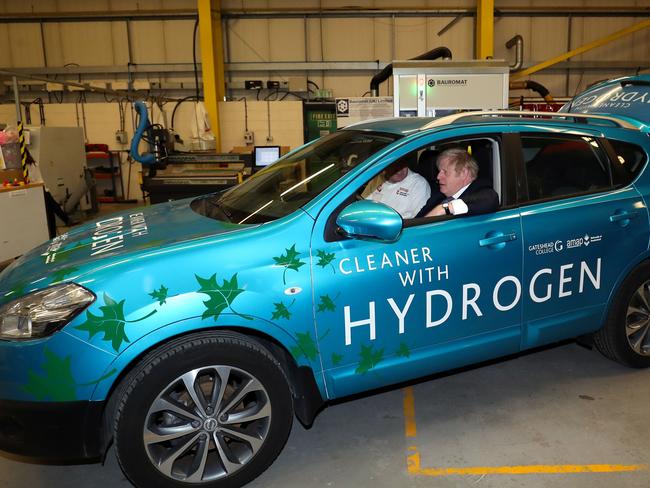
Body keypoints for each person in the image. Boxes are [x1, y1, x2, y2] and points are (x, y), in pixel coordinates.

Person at [416, 148, 498, 218]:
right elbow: (416, 221)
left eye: (445, 172)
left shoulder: (481, 190)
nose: (438, 177)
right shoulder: (437, 195)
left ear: (464, 173)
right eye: (439, 171)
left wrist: (445, 209)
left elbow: (490, 200)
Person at [366, 157, 431, 219]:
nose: (400, 172)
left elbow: (418, 218)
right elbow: (365, 203)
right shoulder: (377, 179)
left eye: (402, 166)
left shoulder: (418, 183)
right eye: (395, 168)